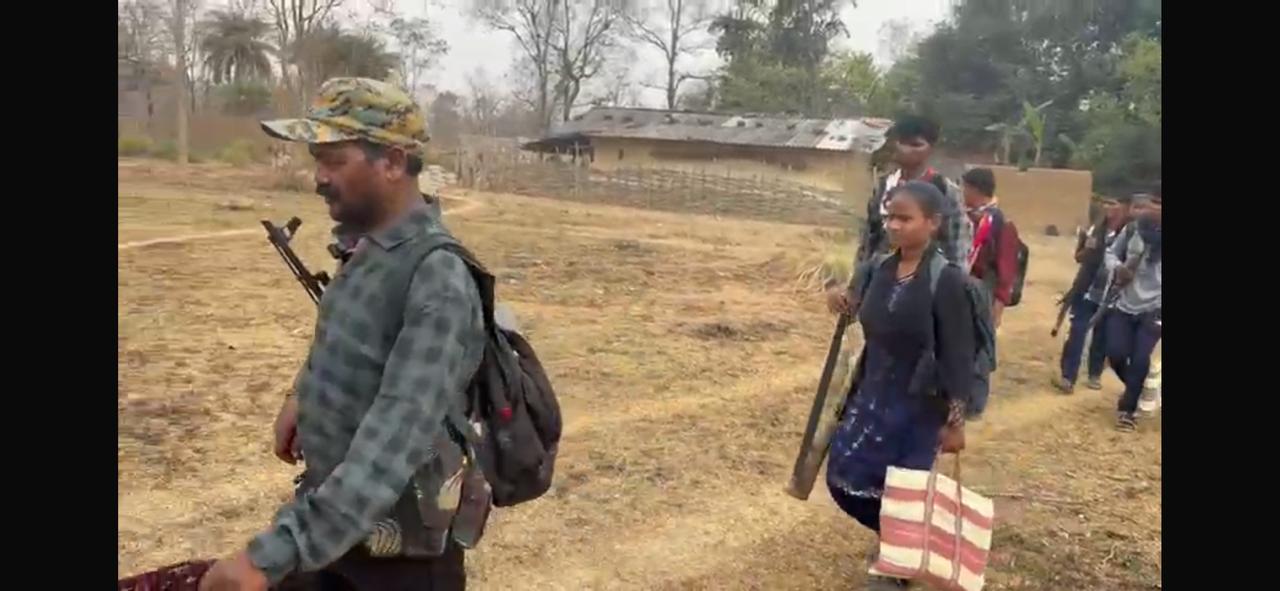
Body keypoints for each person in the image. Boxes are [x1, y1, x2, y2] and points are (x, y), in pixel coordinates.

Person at [198, 78, 487, 591]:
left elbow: (393, 444)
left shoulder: (437, 278)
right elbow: (348, 337)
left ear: (392, 162)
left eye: (334, 160)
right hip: (336, 531)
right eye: (317, 160)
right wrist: (300, 395)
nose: (319, 178)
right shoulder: (370, 247)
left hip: (398, 564)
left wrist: (269, 558)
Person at [824, 181, 975, 591]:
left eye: (905, 219)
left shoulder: (947, 281)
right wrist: (837, 296)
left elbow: (958, 355)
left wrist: (955, 421)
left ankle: (898, 563)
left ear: (933, 223)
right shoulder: (877, 269)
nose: (893, 225)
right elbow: (852, 304)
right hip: (872, 393)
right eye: (890, 217)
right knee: (843, 478)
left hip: (919, 403)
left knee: (905, 486)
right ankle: (902, 540)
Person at [825, 115, 972, 317]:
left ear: (930, 149)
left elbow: (957, 246)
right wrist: (856, 287)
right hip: (881, 282)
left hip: (925, 287)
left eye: (916, 145)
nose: (906, 149)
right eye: (902, 142)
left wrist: (954, 296)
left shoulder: (944, 190)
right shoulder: (884, 186)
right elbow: (869, 241)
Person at [1052, 195, 1132, 393]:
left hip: (1111, 295)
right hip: (1087, 290)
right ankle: (1068, 377)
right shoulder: (1095, 229)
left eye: (1113, 203)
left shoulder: (1131, 235)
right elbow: (1079, 256)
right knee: (1077, 332)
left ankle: (1094, 373)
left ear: (1125, 208)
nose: (1108, 207)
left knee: (1102, 335)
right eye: (1106, 203)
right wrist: (1088, 248)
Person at [959, 168, 1019, 418]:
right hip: (962, 288)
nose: (962, 193)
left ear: (976, 190)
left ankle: (975, 403)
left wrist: (999, 305)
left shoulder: (1001, 225)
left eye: (965, 188)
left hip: (984, 292)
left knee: (981, 346)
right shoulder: (965, 218)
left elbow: (1007, 269)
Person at [1104, 189, 1162, 432]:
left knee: (1140, 358)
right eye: (1153, 202)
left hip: (1155, 308)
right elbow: (1109, 253)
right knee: (1115, 353)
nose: (1155, 208)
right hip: (1125, 303)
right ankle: (1136, 389)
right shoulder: (1131, 230)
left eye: (1160, 204)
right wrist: (1118, 268)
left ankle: (1127, 411)